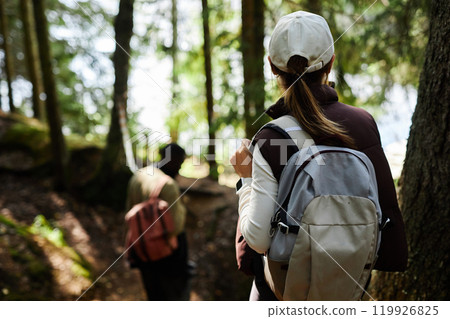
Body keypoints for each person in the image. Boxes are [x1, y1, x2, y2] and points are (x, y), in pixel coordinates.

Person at [231, 11, 407, 300]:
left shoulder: (271, 137)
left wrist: (247, 181)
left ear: (273, 67)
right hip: (348, 289)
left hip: (285, 293)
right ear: (331, 62)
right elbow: (384, 212)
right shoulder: (363, 124)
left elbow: (260, 240)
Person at [126, 143, 191, 300]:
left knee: (153, 295)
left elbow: (128, 212)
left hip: (143, 253)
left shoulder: (139, 176)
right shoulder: (168, 185)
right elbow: (175, 226)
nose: (180, 168)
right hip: (168, 258)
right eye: (180, 162)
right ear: (171, 159)